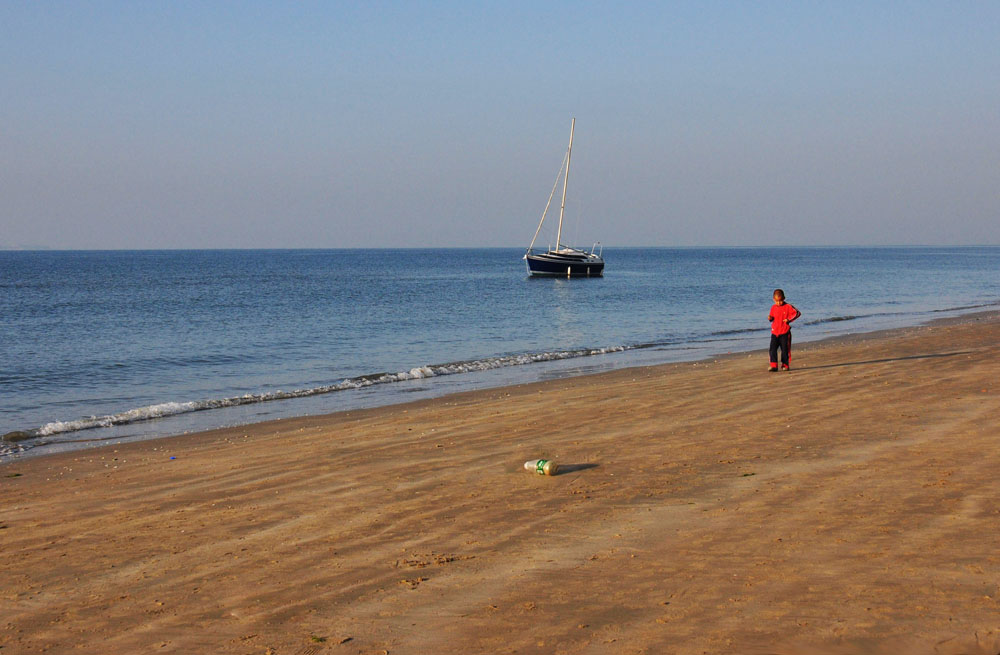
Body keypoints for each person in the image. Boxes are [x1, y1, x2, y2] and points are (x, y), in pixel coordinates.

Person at [768, 289, 801, 371]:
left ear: (784, 298)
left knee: (785, 349)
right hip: (775, 332)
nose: (779, 303)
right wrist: (770, 318)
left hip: (785, 332)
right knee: (772, 349)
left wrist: (789, 319)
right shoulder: (773, 307)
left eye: (780, 301)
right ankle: (773, 365)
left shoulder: (788, 306)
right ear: (773, 299)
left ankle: (785, 365)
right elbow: (771, 317)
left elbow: (797, 313)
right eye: (777, 301)